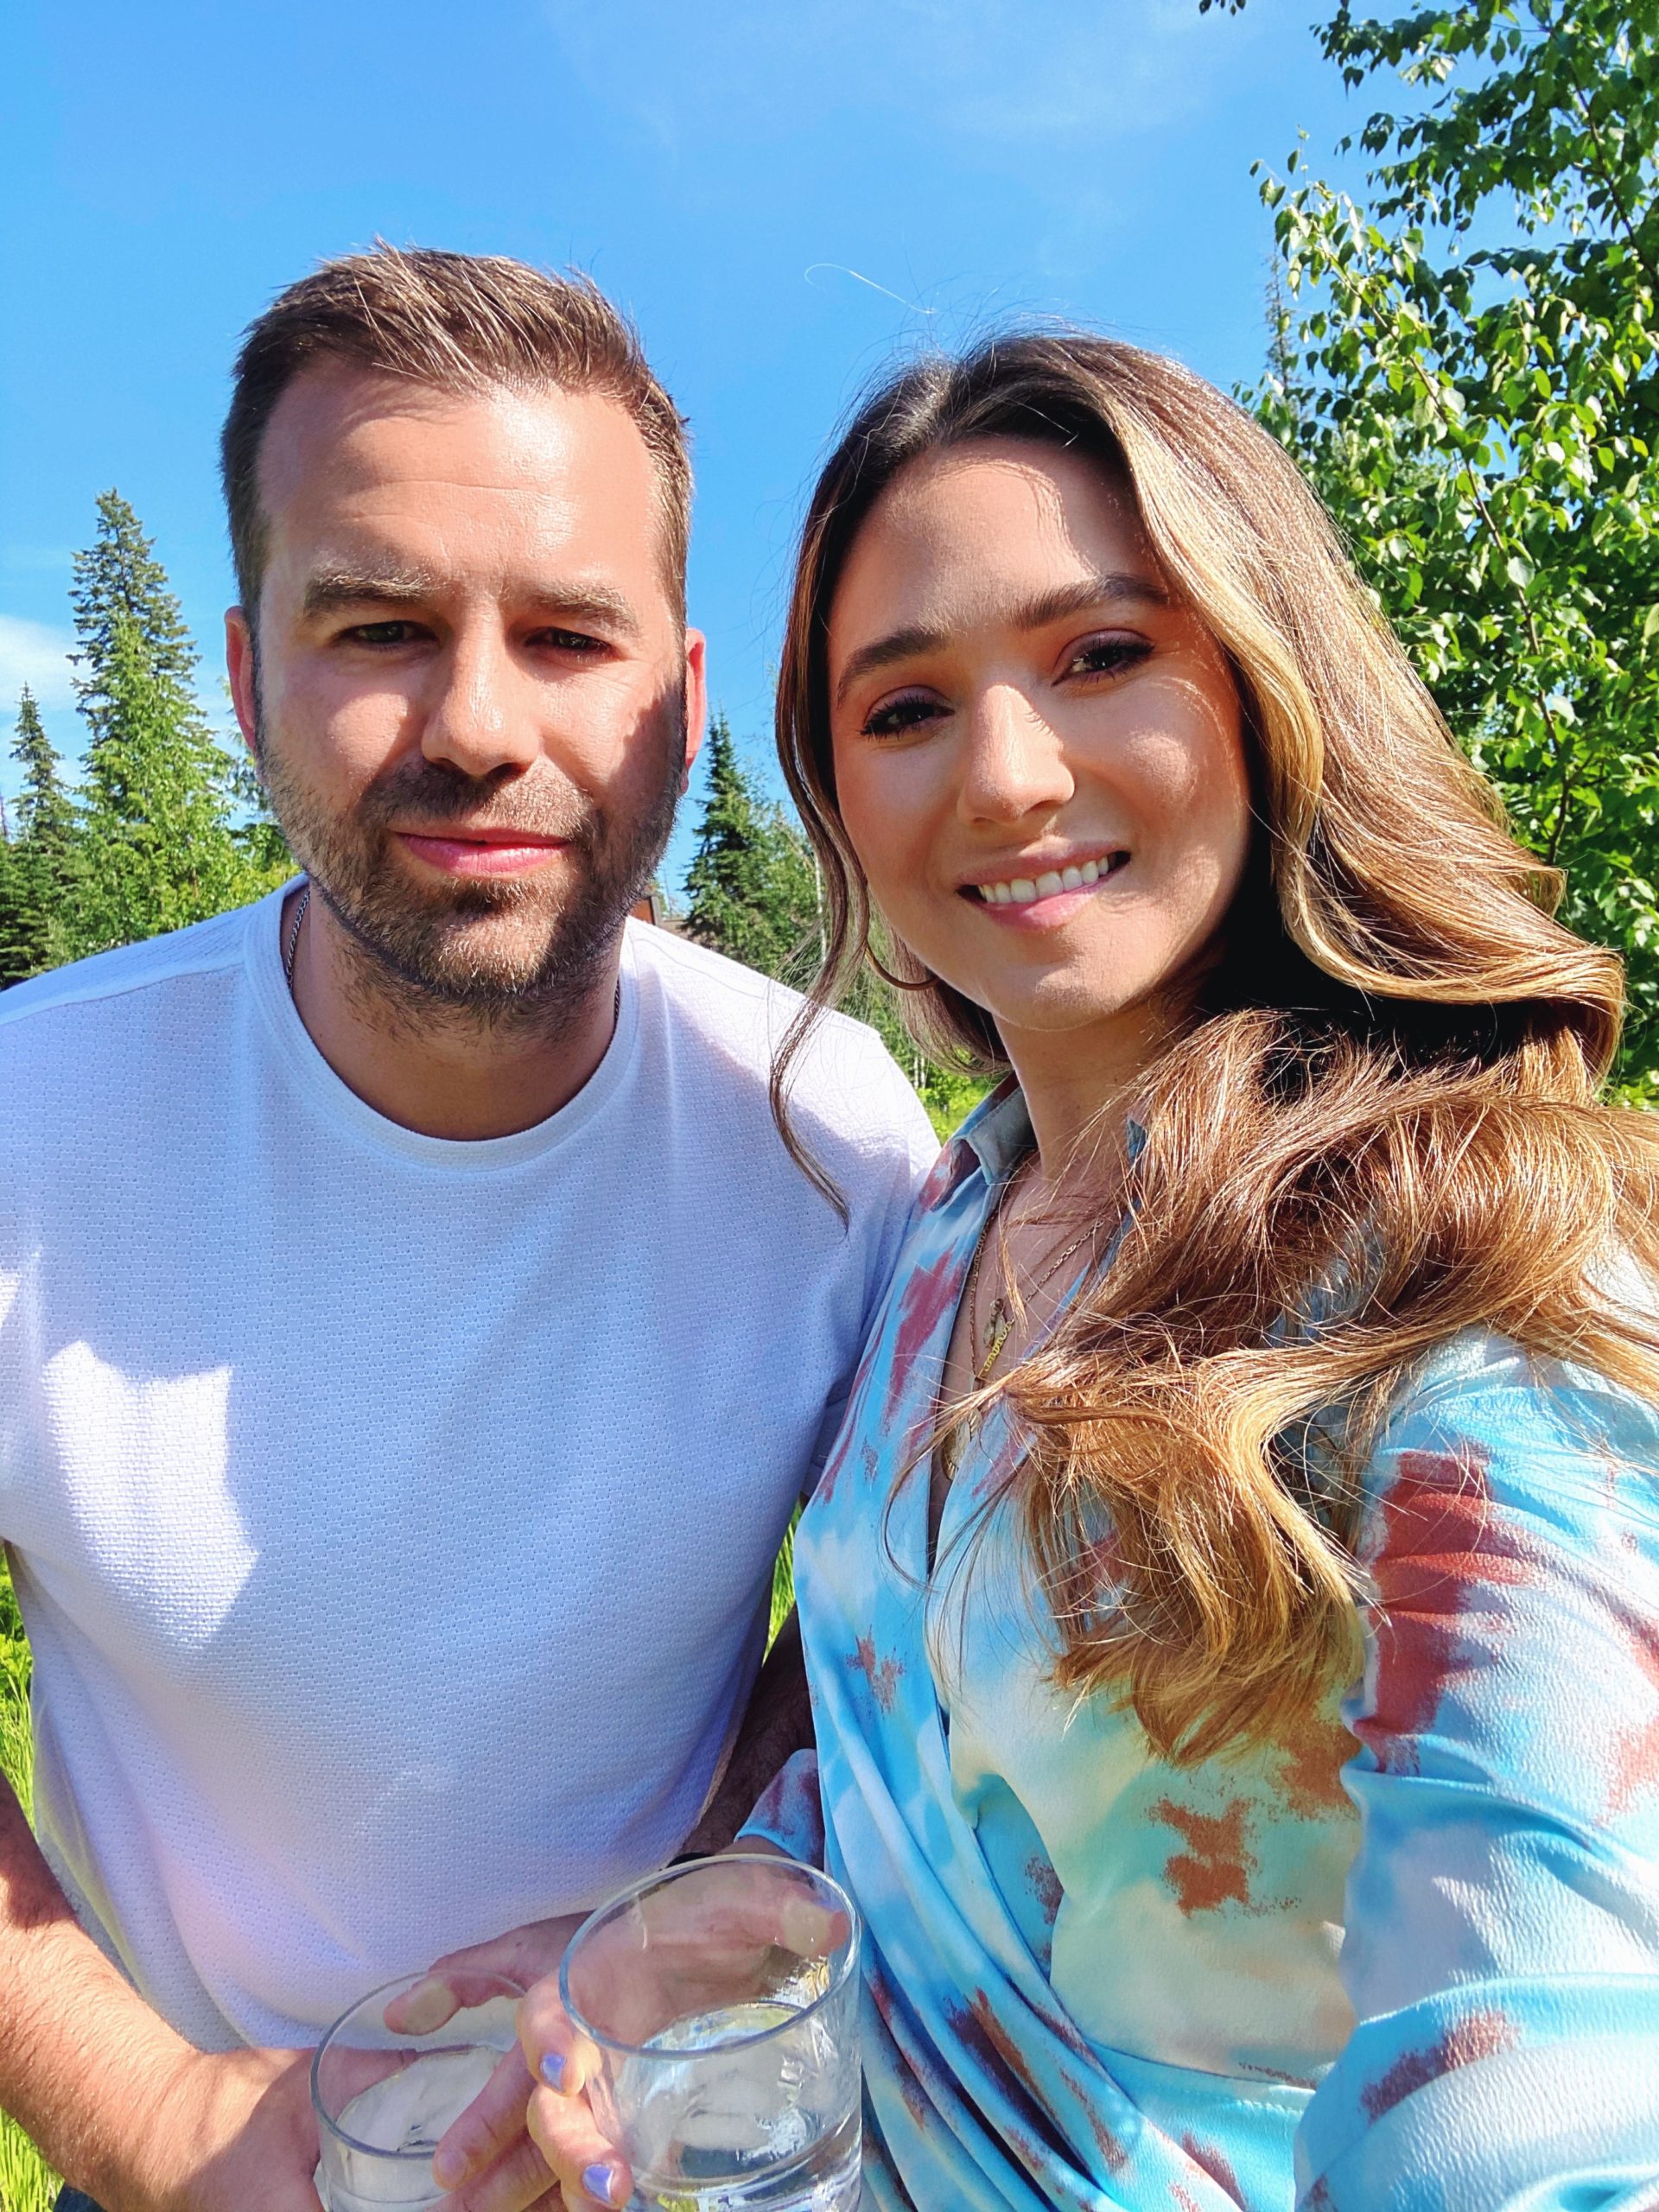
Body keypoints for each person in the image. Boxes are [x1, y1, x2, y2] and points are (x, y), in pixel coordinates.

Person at [515, 334, 1659, 2209]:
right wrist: (711, 1926)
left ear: (1266, 680)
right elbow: (914, 1721)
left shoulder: (1471, 1271)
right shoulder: (944, 1224)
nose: (1008, 774)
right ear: (838, 796)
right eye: (903, 709)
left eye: (1102, 653)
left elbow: (1550, 2094)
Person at [0, 245, 938, 2212]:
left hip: (678, 2144)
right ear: (249, 678)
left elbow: (867, 1613)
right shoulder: (29, 1123)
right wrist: (153, 2122)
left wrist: (688, 1926)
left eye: (571, 636)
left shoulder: (830, 1135)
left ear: (683, 711)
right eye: (377, 624)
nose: (477, 724)